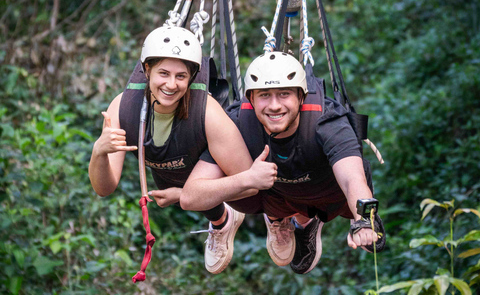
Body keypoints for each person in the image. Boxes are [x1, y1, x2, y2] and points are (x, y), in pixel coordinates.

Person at [88, 26, 276, 275]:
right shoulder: (122, 108)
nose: (171, 84)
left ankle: (240, 219)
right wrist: (99, 152)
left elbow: (248, 183)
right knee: (175, 185)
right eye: (163, 73)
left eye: (180, 76)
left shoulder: (207, 112)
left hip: (208, 161)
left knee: (199, 191)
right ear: (147, 71)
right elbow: (104, 188)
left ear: (191, 78)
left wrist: (186, 195)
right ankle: (221, 220)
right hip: (167, 169)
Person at [181, 51, 385, 274]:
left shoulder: (328, 121)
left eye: (284, 94)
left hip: (327, 190)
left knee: (354, 190)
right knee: (243, 193)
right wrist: (246, 179)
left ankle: (308, 221)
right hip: (279, 195)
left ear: (301, 97)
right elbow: (190, 197)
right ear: (251, 99)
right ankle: (290, 219)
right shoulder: (238, 123)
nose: (275, 105)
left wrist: (364, 219)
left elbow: (351, 177)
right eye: (265, 95)